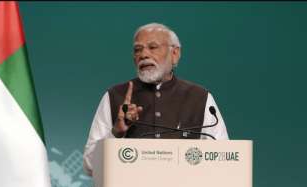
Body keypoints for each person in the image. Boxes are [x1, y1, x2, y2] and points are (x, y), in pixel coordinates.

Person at [83, 23, 229, 176]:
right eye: (137, 50)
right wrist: (116, 132)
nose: (144, 55)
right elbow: (90, 165)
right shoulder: (115, 96)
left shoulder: (200, 97)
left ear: (175, 54)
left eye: (153, 47)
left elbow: (222, 159)